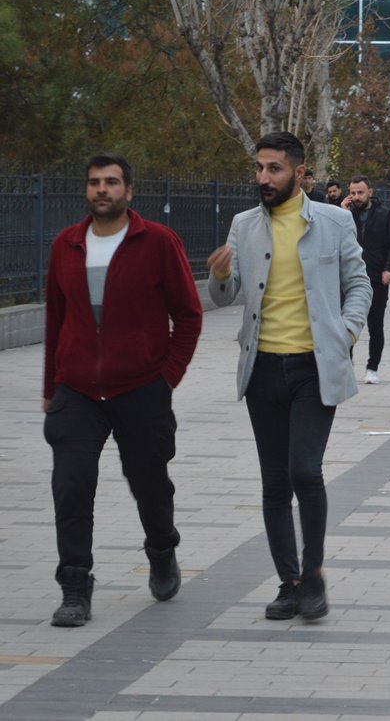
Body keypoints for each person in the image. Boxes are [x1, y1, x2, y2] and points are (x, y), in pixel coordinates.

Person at [208, 132, 371, 622]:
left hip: (313, 367)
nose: (263, 178)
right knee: (275, 482)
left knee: (305, 470)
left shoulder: (335, 221)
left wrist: (345, 334)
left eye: (274, 169)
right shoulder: (243, 225)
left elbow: (358, 283)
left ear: (299, 174)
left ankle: (314, 574)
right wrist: (218, 276)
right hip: (262, 369)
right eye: (259, 168)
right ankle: (289, 582)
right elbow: (227, 295)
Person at [43, 153, 203, 627]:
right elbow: (56, 319)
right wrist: (51, 386)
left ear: (129, 192)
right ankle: (75, 585)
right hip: (77, 390)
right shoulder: (66, 244)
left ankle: (161, 550)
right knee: (71, 487)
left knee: (150, 484)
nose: (102, 190)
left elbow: (189, 315)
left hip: (140, 388)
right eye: (94, 182)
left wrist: (165, 377)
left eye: (111, 182)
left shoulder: (156, 241)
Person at [345, 177, 390, 385]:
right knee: (347, 323)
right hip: (349, 278)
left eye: (360, 192)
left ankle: (372, 367)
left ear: (370, 191)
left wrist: (388, 269)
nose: (357, 197)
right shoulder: (346, 215)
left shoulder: (386, 214)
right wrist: (341, 210)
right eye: (353, 193)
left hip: (377, 278)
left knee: (375, 326)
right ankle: (346, 364)